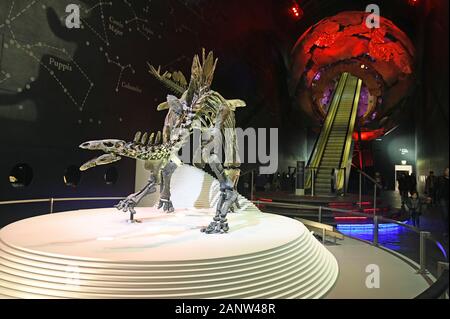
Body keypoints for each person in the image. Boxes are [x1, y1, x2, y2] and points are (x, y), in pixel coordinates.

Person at [437, 168, 449, 237]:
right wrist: (431, 196)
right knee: (445, 215)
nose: (448, 172)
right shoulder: (440, 179)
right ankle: (446, 231)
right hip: (443, 198)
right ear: (445, 172)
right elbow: (436, 187)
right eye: (447, 171)